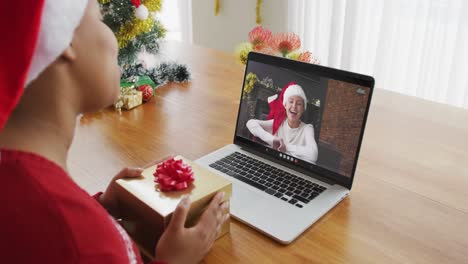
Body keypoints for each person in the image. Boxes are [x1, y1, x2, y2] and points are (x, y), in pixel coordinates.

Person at [0, 1, 228, 263]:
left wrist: (99, 208)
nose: (115, 37)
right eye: (99, 19)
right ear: (64, 41)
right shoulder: (90, 243)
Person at [246, 82, 318, 164]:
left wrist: (285, 147)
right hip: (273, 162)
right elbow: (250, 123)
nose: (294, 106)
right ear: (285, 105)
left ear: (303, 109)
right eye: (291, 101)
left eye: (299, 104)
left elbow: (313, 154)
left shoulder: (307, 128)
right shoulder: (279, 123)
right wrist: (272, 139)